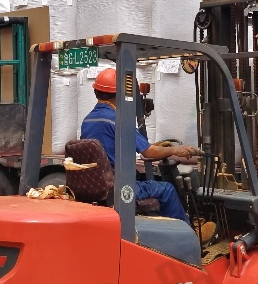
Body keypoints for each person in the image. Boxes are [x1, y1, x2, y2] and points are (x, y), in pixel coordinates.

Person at [80, 67, 216, 243]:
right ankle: (189, 236)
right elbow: (149, 152)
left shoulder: (88, 120)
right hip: (121, 187)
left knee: (149, 180)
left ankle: (165, 229)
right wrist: (175, 150)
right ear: (119, 94)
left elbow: (120, 146)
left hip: (101, 184)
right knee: (167, 189)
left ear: (96, 92)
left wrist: (154, 146)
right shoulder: (118, 120)